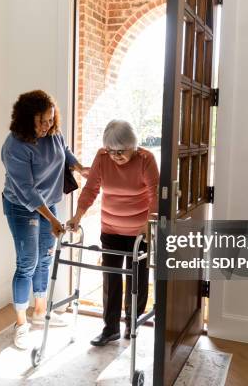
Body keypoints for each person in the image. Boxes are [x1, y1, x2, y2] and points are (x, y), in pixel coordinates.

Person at [1, 90, 88, 350]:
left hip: (48, 202)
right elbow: (26, 191)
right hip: (21, 206)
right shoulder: (15, 146)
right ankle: (20, 323)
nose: (47, 125)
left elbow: (65, 151)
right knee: (27, 262)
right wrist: (51, 219)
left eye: (50, 120)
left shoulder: (53, 133)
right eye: (41, 121)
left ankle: (39, 311)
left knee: (46, 256)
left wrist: (79, 167)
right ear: (27, 119)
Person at [67, 120, 159, 346]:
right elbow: (91, 189)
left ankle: (132, 324)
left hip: (139, 233)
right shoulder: (103, 157)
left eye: (121, 151)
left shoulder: (145, 159)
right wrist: (77, 216)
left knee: (137, 277)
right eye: (111, 151)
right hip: (111, 229)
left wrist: (149, 223)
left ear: (133, 146)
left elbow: (155, 192)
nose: (115, 156)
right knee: (110, 277)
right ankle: (110, 328)